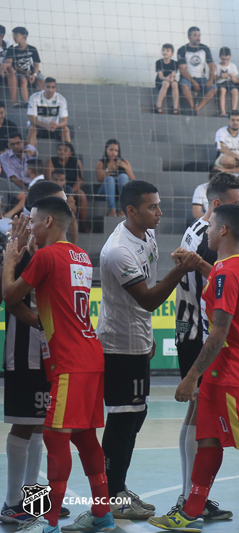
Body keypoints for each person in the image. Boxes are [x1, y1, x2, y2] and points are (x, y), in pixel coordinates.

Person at [148, 205, 239, 533]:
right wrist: (197, 263)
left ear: (224, 230)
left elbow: (220, 332)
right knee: (209, 439)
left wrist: (190, 377)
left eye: (211, 226)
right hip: (225, 369)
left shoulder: (227, 273)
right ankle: (191, 511)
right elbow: (225, 279)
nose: (207, 231)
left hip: (233, 370)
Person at [2, 196, 113, 533]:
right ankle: (103, 514)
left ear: (47, 222)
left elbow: (9, 295)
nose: (30, 228)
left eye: (33, 220)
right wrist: (42, 322)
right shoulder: (79, 254)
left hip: (70, 360)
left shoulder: (46, 256)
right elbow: (47, 310)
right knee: (85, 437)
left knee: (53, 435)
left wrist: (10, 257)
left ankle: (48, 522)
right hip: (89, 354)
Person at [96, 181, 203, 519]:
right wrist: (181, 269)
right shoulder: (118, 250)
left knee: (136, 414)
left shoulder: (147, 235)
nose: (160, 212)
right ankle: (111, 496)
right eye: (152, 207)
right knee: (122, 420)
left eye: (158, 205)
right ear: (131, 211)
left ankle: (119, 487)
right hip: (118, 345)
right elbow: (149, 298)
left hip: (138, 340)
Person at [174, 172, 239, 519]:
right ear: (216, 206)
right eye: (237, 201)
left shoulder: (201, 231)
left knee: (200, 418)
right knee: (200, 415)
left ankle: (191, 498)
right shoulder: (207, 237)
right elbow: (222, 287)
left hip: (197, 328)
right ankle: (188, 498)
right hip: (201, 332)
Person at [0, 183, 76, 525]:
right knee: (23, 423)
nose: (63, 212)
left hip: (48, 350)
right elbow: (11, 298)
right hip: (25, 348)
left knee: (40, 425)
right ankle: (12, 501)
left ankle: (32, 497)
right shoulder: (18, 244)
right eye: (58, 205)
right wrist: (44, 326)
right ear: (38, 212)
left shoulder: (55, 247)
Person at [46, 141, 87, 228]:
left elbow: (80, 180)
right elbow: (49, 179)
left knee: (82, 196)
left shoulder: (76, 162)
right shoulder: (51, 161)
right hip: (55, 188)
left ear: (71, 153)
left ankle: (83, 224)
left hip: (72, 188)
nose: (62, 152)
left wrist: (70, 191)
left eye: (65, 150)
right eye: (60, 150)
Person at [177, 27, 217, 114]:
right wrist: (193, 82)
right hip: (187, 78)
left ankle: (197, 109)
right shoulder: (182, 50)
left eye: (199, 35)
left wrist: (210, 80)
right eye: (195, 35)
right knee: (184, 86)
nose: (198, 38)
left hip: (201, 77)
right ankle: (192, 107)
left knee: (213, 89)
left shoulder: (205, 49)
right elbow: (182, 70)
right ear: (188, 37)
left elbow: (212, 66)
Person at [3, 27, 43, 108]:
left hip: (33, 72)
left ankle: (45, 102)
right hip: (20, 73)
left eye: (16, 35)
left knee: (42, 82)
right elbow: (12, 65)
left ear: (24, 36)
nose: (14, 37)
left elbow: (36, 64)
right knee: (23, 81)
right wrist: (25, 73)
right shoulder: (12, 49)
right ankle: (26, 102)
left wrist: (34, 75)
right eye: (13, 35)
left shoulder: (32, 49)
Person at [96, 139, 136, 217]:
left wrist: (126, 168)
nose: (113, 152)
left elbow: (133, 181)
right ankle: (112, 209)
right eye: (111, 150)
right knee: (109, 179)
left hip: (120, 191)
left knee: (123, 176)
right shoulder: (101, 163)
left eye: (116, 150)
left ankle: (123, 209)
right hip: (106, 191)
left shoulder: (125, 162)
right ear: (106, 150)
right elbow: (100, 181)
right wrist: (108, 170)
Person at [26, 77, 69, 147]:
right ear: (43, 87)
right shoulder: (34, 97)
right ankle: (29, 154)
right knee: (32, 128)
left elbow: (65, 121)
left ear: (56, 88)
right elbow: (32, 120)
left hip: (54, 128)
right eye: (48, 87)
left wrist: (56, 125)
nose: (50, 90)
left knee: (65, 129)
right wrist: (46, 125)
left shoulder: (61, 99)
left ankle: (67, 155)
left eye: (53, 87)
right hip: (39, 127)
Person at [155, 44, 180, 115]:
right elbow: (160, 76)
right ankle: (158, 105)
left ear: (171, 54)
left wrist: (171, 78)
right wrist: (166, 78)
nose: (165, 52)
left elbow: (173, 75)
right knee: (166, 83)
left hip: (170, 80)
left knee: (175, 84)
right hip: (161, 81)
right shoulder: (159, 62)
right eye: (163, 50)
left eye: (167, 51)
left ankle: (175, 107)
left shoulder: (175, 63)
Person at [215, 47, 239, 117]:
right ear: (220, 57)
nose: (225, 61)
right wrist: (220, 76)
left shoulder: (233, 66)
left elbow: (235, 79)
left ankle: (233, 110)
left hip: (230, 82)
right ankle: (223, 111)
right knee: (222, 91)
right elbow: (214, 78)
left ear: (230, 57)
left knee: (235, 91)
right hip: (220, 83)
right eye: (223, 59)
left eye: (227, 59)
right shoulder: (217, 65)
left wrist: (232, 77)